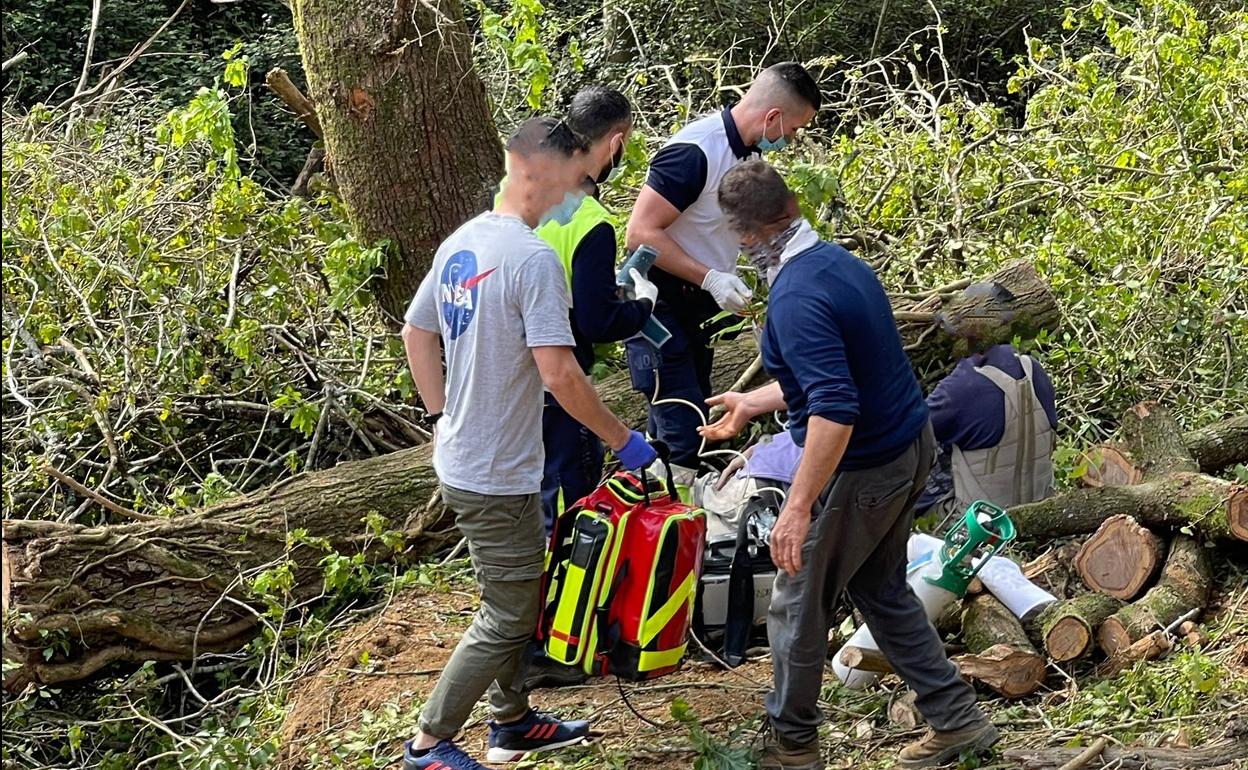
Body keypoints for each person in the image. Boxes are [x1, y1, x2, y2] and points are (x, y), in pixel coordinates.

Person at [699, 161, 998, 769]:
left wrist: (799, 507)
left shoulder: (796, 297)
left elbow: (836, 408)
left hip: (864, 467)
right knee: (879, 587)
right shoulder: (838, 264)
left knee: (796, 601)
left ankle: (793, 745)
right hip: (909, 446)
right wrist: (752, 401)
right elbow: (839, 373)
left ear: (744, 233)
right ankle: (957, 720)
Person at [399, 117, 657, 770]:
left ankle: (511, 721)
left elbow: (416, 331)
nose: (580, 197)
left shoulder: (468, 241)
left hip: (468, 456)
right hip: (494, 472)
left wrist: (438, 418)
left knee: (518, 594)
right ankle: (429, 743)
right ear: (538, 172)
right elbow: (561, 374)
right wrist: (625, 440)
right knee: (509, 616)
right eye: (577, 182)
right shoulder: (532, 259)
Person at [624, 62, 821, 471]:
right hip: (657, 304)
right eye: (794, 130)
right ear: (773, 117)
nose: (792, 140)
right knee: (684, 430)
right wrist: (710, 277)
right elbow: (640, 232)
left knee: (686, 420)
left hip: (697, 307)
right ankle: (681, 520)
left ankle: (658, 510)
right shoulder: (695, 151)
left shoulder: (746, 155)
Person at [535, 86, 658, 531]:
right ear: (616, 143)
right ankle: (560, 601)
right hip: (561, 386)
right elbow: (597, 320)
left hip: (511, 383)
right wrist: (641, 305)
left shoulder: (523, 201)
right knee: (567, 515)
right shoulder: (590, 221)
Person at [916, 343, 1057, 517]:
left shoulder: (963, 385)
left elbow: (909, 429)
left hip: (981, 523)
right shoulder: (1034, 368)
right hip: (1042, 511)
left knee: (912, 449)